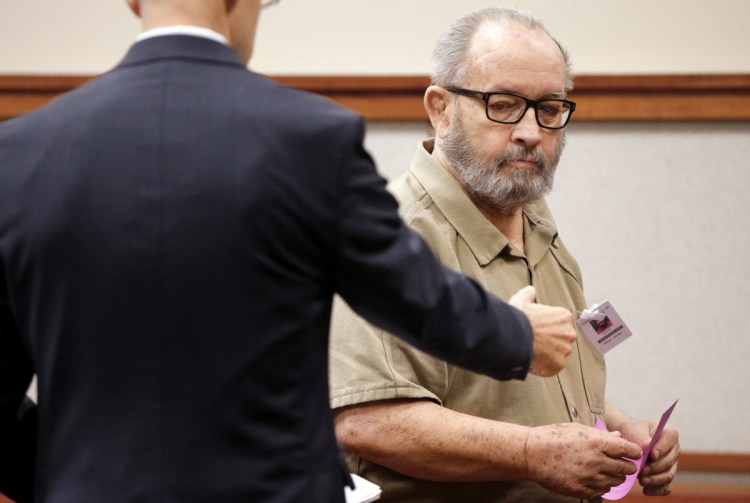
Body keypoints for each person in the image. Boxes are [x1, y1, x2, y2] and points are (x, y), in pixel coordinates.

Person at [0, 1, 583, 502]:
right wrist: (519, 335)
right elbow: (411, 293)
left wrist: (60, 479)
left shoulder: (19, 154)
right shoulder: (308, 139)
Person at [329, 7, 680, 502]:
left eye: (550, 109)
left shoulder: (534, 219)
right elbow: (367, 421)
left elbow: (531, 395)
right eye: (504, 104)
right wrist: (532, 453)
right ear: (440, 108)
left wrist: (624, 434)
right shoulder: (387, 236)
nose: (531, 132)